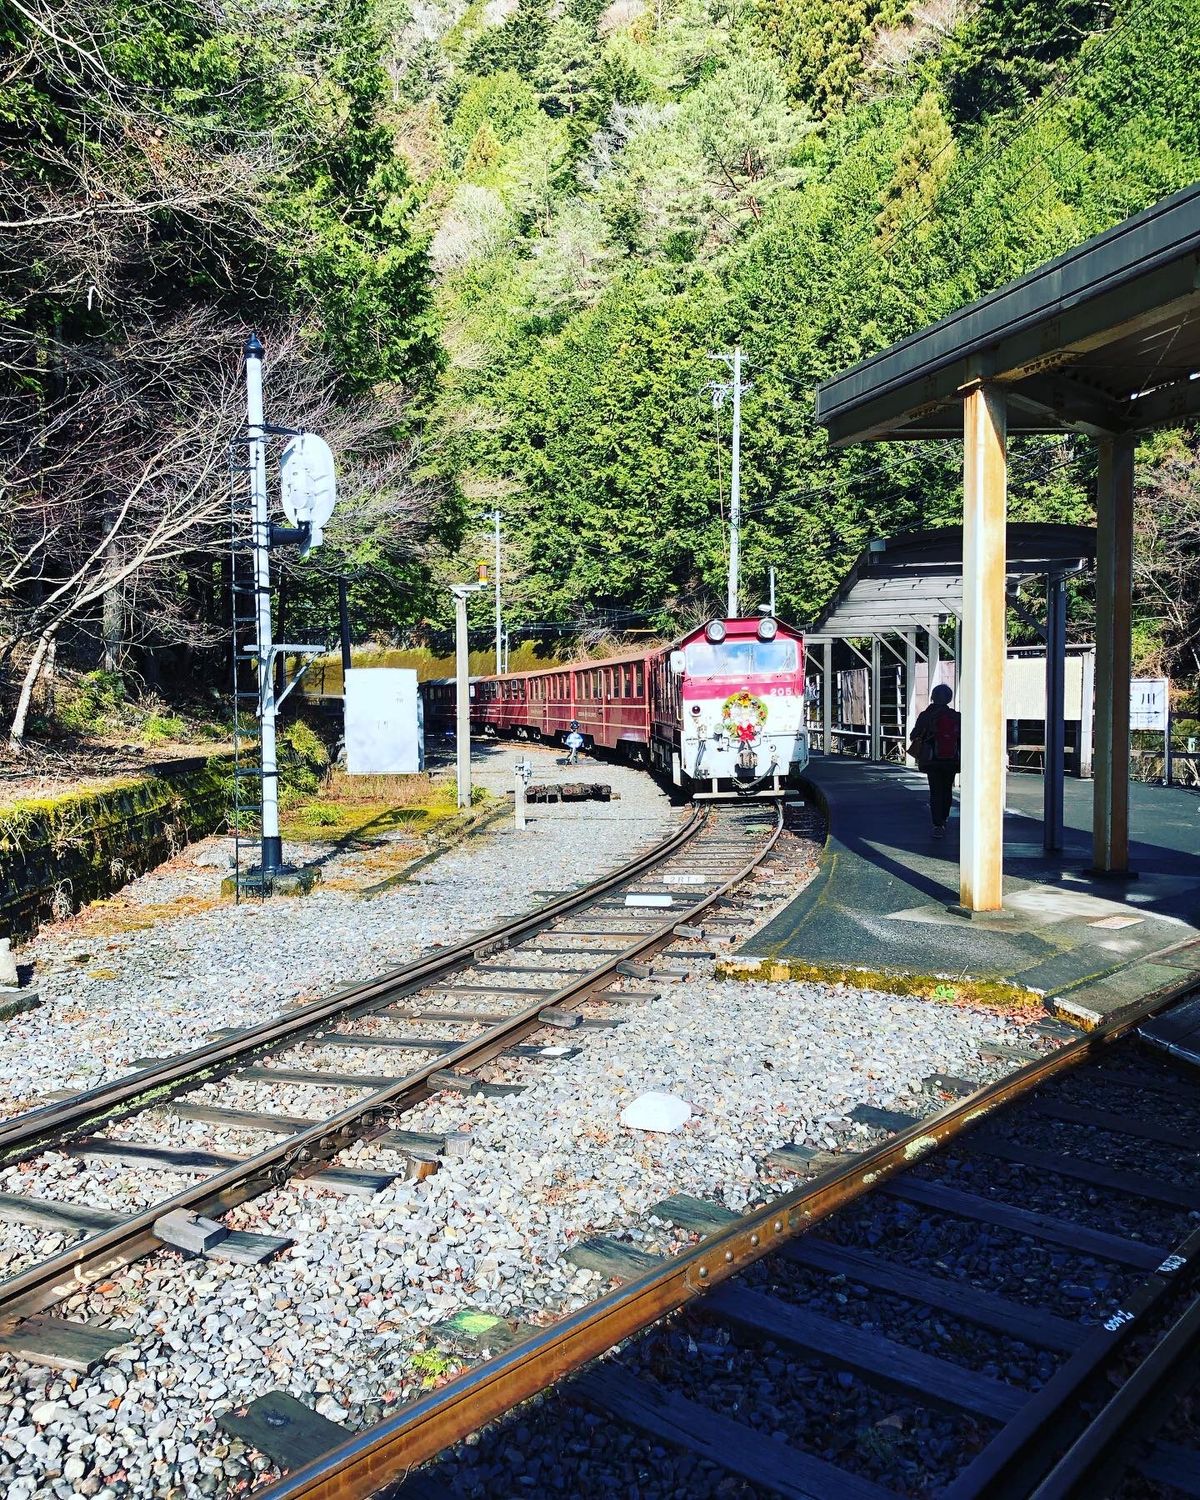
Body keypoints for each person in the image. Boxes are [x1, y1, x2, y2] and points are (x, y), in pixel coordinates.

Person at [908, 683, 961, 839]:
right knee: (947, 789)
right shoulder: (956, 716)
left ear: (933, 697)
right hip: (951, 759)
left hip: (932, 760)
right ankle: (944, 817)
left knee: (935, 791)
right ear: (949, 698)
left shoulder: (926, 715)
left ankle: (938, 824)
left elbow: (913, 735)